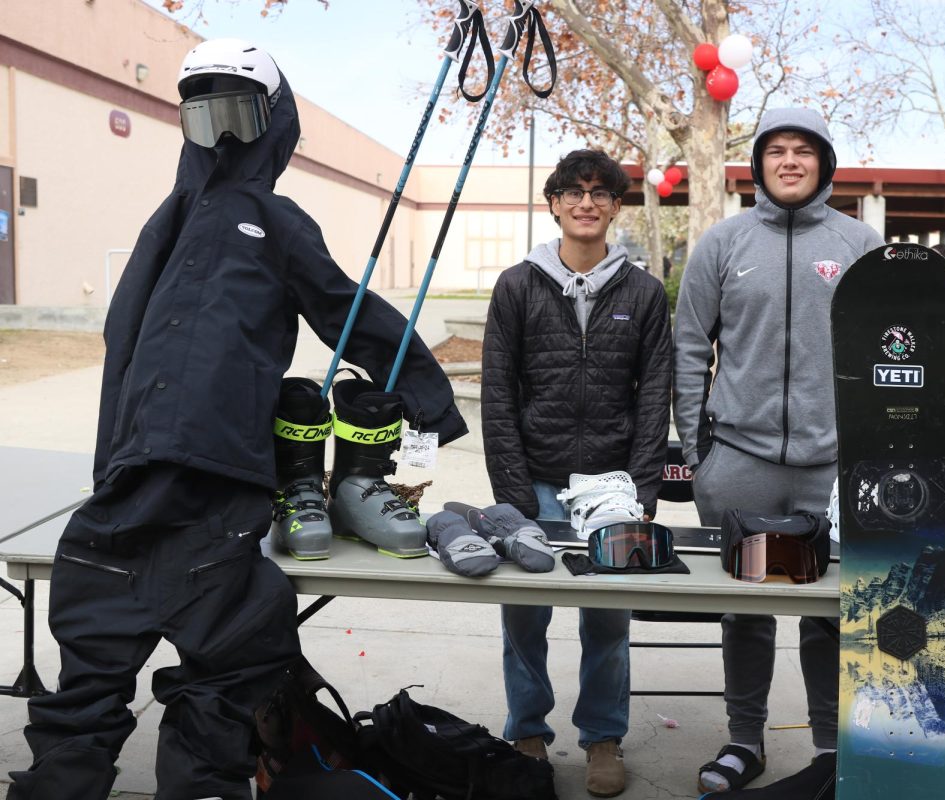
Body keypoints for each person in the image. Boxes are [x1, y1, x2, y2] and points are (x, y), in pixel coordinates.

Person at [8, 40, 466, 800]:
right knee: (88, 710)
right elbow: (122, 343)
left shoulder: (276, 220)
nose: (222, 137)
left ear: (274, 125)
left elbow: (345, 308)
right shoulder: (169, 219)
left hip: (215, 494)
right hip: (129, 503)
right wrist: (109, 467)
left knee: (224, 695)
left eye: (240, 116)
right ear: (185, 126)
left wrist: (423, 399)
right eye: (204, 117)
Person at [673, 108, 884, 793]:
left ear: (824, 164)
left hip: (833, 465)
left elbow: (888, 347)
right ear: (758, 162)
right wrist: (698, 447)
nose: (790, 161)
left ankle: (829, 749)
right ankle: (744, 741)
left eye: (804, 151)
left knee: (832, 610)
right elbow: (688, 346)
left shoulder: (859, 242)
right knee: (747, 606)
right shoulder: (724, 243)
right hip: (741, 460)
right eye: (777, 150)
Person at [481, 148, 672, 797]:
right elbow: (497, 393)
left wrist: (641, 489)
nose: (587, 202)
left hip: (612, 487)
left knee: (607, 621)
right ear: (554, 203)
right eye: (573, 191)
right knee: (524, 616)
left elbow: (655, 397)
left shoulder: (643, 293)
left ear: (616, 206)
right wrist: (512, 493)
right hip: (534, 478)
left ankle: (603, 738)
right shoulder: (517, 285)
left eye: (600, 192)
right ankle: (527, 731)